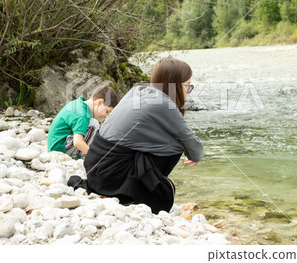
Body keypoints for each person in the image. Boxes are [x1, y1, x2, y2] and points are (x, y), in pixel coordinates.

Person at [67, 58, 203, 214]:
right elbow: (194, 146)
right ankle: (137, 193)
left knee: (163, 138)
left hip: (96, 168)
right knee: (177, 144)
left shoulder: (136, 91)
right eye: (188, 86)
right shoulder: (164, 104)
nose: (188, 91)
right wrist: (194, 155)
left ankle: (130, 188)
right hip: (110, 176)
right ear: (175, 84)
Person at [47, 85, 118, 159]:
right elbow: (77, 142)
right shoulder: (82, 115)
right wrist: (96, 157)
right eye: (107, 111)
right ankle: (77, 156)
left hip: (57, 145)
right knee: (94, 124)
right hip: (60, 149)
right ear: (99, 102)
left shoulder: (79, 104)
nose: (106, 116)